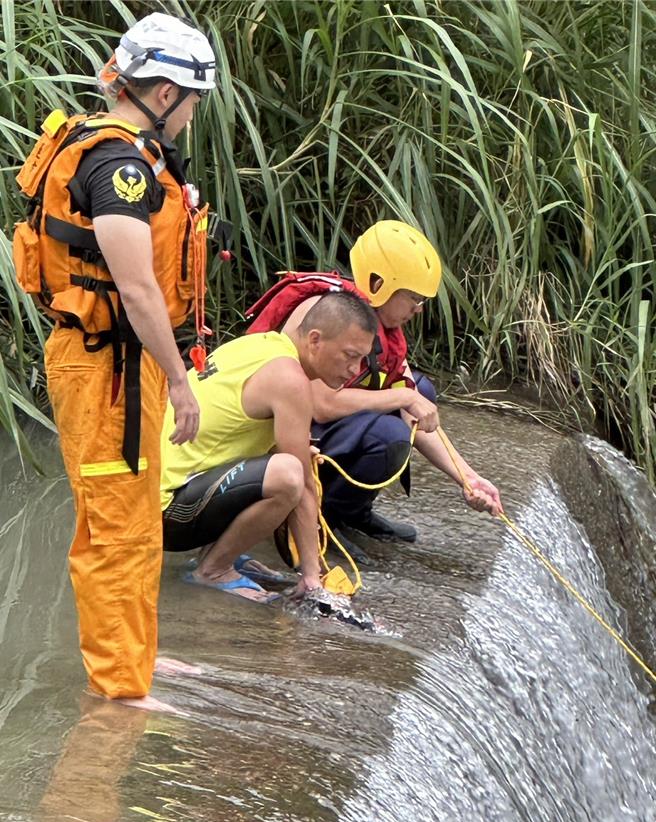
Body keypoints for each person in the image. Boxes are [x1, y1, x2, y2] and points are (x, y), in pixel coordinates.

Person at [13, 13, 217, 709]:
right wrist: (185, 381)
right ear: (164, 94)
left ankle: (139, 655)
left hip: (125, 368)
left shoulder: (124, 153)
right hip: (104, 367)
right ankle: (120, 686)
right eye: (193, 101)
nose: (193, 116)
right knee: (115, 526)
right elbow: (135, 288)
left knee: (135, 512)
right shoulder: (122, 167)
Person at [244, 221, 503, 561]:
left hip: (315, 427)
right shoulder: (328, 314)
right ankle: (323, 520)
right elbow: (319, 404)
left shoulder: (375, 321)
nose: (419, 308)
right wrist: (403, 397)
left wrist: (468, 478)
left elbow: (414, 401)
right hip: (274, 438)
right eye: (413, 297)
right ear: (379, 284)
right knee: (389, 435)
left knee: (420, 391)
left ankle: (353, 512)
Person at [160, 292, 378, 601]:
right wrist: (313, 577)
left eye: (362, 359)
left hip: (163, 497)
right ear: (315, 340)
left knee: (287, 461)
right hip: (168, 512)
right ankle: (213, 569)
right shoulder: (291, 380)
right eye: (349, 355)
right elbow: (301, 484)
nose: (356, 370)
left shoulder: (261, 345)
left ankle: (224, 554)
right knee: (288, 473)